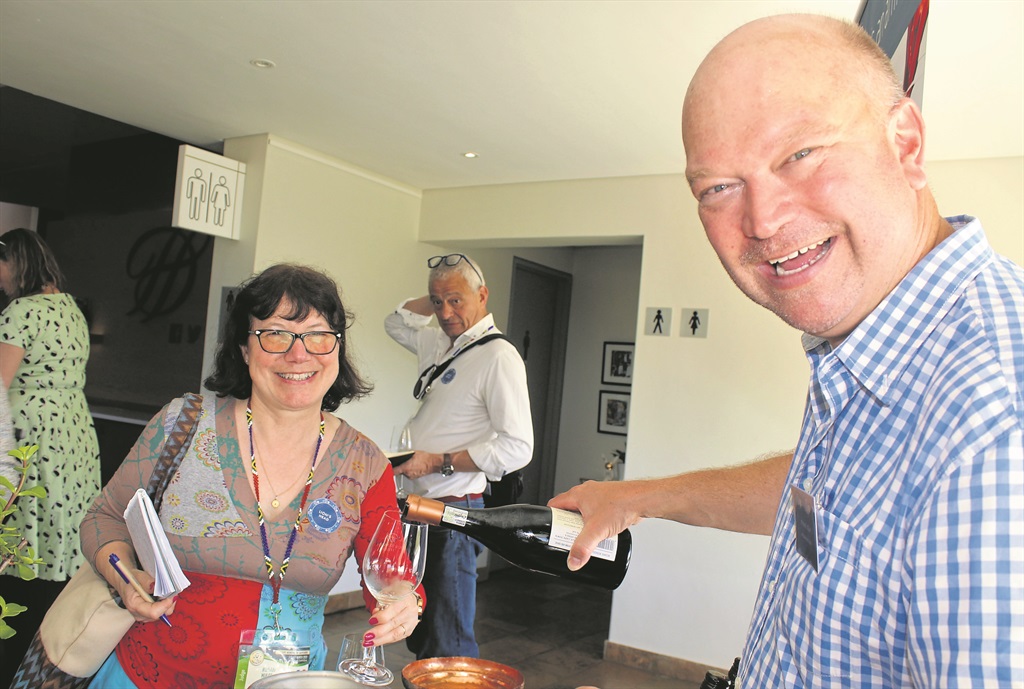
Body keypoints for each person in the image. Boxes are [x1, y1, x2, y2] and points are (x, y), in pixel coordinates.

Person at [552, 14, 1023, 688]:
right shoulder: (888, 355)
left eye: (800, 154)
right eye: (718, 187)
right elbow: (840, 488)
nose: (763, 219)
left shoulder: (998, 423)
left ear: (906, 143)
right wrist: (639, 496)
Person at [74, 263, 423, 687]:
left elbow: (391, 572)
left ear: (337, 348)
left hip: (288, 682)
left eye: (318, 335)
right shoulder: (182, 424)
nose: (299, 354)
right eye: (275, 334)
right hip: (144, 677)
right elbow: (105, 518)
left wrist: (403, 601)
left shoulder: (364, 463)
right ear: (243, 347)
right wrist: (127, 580)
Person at [385, 252, 533, 659]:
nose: (446, 313)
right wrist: (441, 288)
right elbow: (395, 322)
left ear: (482, 295)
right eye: (438, 302)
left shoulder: (498, 356)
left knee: (448, 641)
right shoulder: (439, 342)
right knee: (423, 634)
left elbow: (518, 447)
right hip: (421, 509)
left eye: (456, 300)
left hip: (453, 513)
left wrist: (438, 461)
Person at [0, 228, 102, 685]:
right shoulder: (71, 308)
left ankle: (13, 647)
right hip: (72, 432)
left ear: (15, 262)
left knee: (22, 530)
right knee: (59, 528)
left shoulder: (19, 311)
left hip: (31, 435)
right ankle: (46, 650)